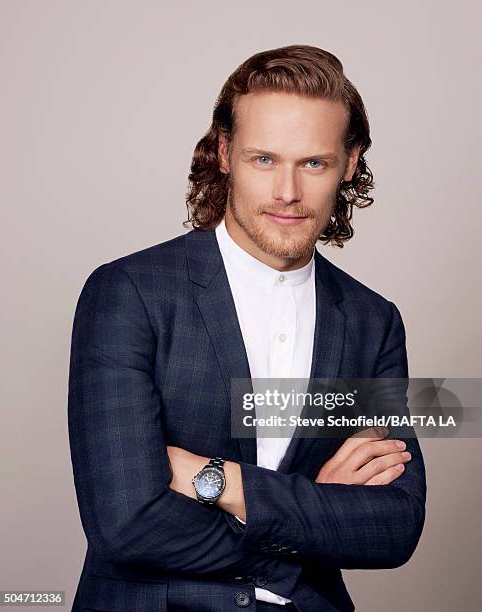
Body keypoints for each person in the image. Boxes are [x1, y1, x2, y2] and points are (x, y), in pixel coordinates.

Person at [68, 44, 426, 612]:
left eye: (314, 162)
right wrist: (316, 511)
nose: (288, 191)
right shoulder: (128, 293)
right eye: (265, 160)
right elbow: (127, 522)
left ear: (350, 162)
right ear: (225, 153)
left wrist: (218, 481)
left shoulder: (371, 321)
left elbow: (394, 526)